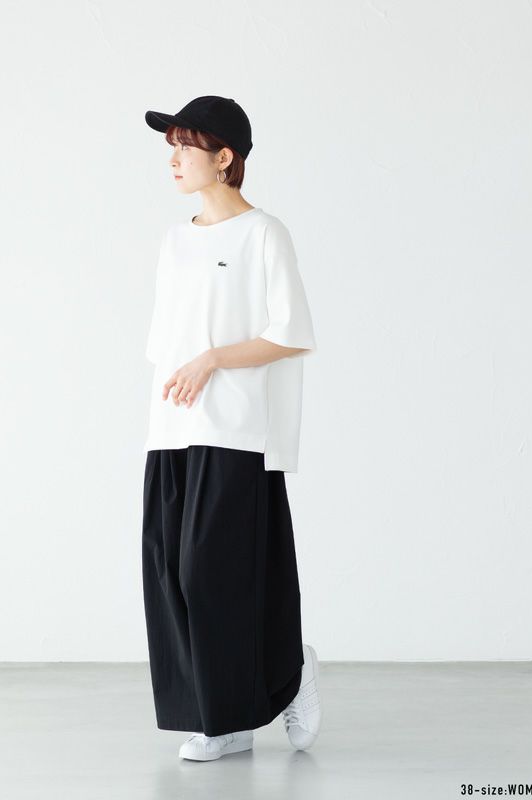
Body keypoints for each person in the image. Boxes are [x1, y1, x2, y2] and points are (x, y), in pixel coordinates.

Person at [141, 95, 321, 762]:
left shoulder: (264, 233)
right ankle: (223, 720)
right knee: (170, 574)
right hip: (171, 429)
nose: (174, 158)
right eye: (171, 146)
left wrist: (213, 359)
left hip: (237, 429)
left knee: (211, 575)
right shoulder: (174, 240)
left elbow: (291, 332)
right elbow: (165, 343)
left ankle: (290, 671)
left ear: (225, 157)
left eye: (186, 145)